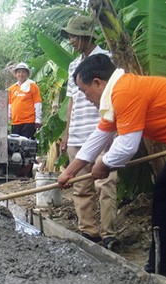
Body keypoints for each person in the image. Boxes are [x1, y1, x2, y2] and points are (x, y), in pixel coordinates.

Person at [57, 53, 166, 275]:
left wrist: (103, 164)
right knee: (162, 197)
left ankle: (160, 269)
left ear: (97, 83)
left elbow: (127, 146)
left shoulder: (125, 91)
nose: (86, 98)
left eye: (84, 91)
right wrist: (69, 172)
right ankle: (158, 267)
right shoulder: (116, 98)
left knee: (163, 200)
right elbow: (98, 138)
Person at [59, 15, 119, 249]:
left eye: (74, 36)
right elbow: (72, 100)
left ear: (86, 36)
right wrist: (67, 132)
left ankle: (109, 234)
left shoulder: (107, 60)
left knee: (105, 183)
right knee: (80, 186)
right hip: (78, 131)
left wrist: (113, 130)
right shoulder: (74, 65)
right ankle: (89, 231)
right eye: (70, 36)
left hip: (102, 129)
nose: (71, 40)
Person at [7, 62, 42, 139]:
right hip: (15, 123)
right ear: (16, 74)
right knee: (15, 146)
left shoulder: (33, 86)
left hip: (29, 122)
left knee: (28, 147)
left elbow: (37, 103)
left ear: (27, 74)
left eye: (23, 72)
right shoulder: (11, 89)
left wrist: (38, 119)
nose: (21, 74)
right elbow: (9, 105)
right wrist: (7, 119)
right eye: (19, 72)